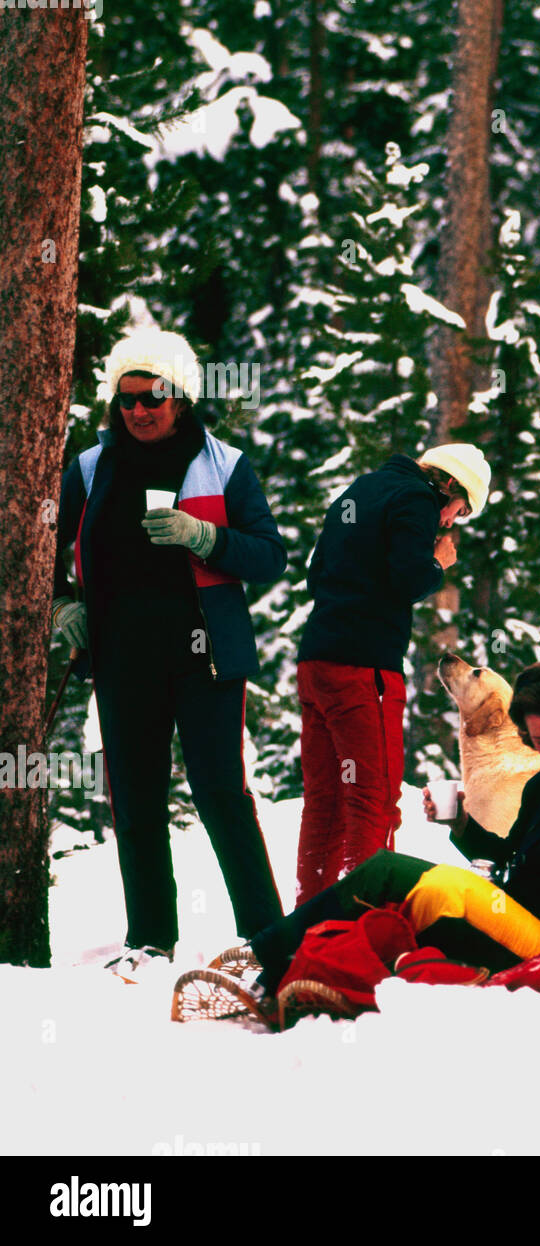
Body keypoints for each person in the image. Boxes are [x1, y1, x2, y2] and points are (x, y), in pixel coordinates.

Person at [245, 654, 540, 996]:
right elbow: (509, 856)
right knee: (396, 902)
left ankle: (256, 958)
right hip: (508, 915)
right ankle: (288, 977)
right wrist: (459, 822)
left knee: (387, 870)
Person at [51, 328, 286, 974]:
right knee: (135, 796)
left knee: (219, 792)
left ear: (179, 397)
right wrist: (63, 606)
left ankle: (268, 938)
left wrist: (205, 536)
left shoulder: (224, 465)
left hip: (205, 654)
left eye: (153, 397)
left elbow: (269, 554)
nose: (139, 411)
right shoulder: (91, 470)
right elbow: (49, 552)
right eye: (126, 400)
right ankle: (150, 938)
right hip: (122, 656)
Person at [293, 443, 491, 903]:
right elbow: (407, 578)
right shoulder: (418, 499)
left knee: (325, 803)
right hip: (367, 669)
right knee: (373, 801)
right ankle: (363, 919)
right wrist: (436, 564)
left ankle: (309, 920)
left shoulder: (362, 488)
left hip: (317, 663)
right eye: (459, 511)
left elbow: (315, 574)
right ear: (450, 485)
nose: (450, 522)